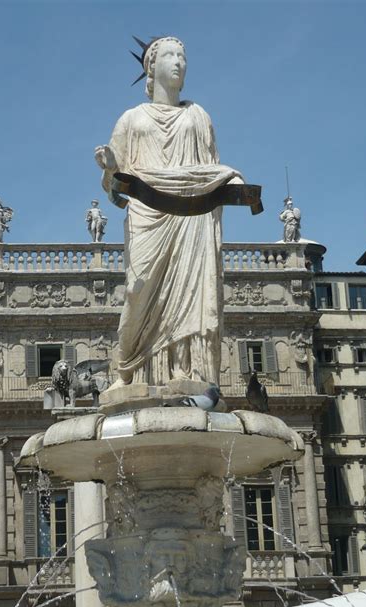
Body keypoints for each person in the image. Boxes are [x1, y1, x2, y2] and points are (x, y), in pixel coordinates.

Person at [94, 37, 245, 387]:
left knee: (190, 293)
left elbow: (209, 167)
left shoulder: (198, 115)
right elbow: (114, 185)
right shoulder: (132, 119)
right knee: (137, 290)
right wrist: (110, 166)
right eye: (170, 55)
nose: (179, 62)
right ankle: (127, 370)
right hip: (148, 212)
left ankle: (184, 371)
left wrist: (229, 177)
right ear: (151, 66)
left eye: (183, 55)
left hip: (192, 213)